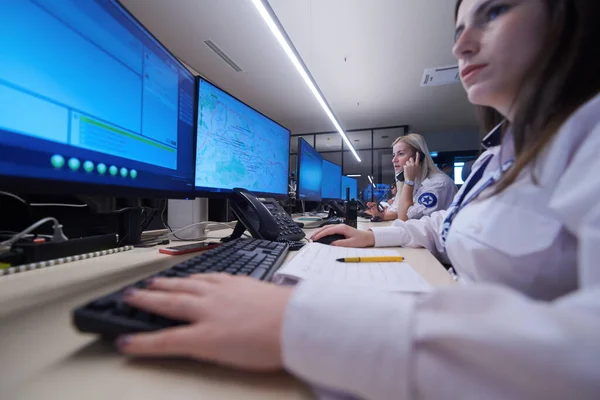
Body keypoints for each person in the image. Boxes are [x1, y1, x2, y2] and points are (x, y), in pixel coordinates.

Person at [116, 0, 600, 398]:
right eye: (458, 29)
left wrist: (305, 326)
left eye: (494, 11)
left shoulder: (589, 134)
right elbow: (449, 226)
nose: (462, 44)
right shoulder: (505, 153)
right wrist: (370, 233)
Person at [366, 134, 457, 222]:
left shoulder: (438, 184)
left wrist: (409, 182)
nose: (394, 160)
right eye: (394, 155)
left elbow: (404, 219)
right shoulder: (416, 181)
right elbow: (398, 210)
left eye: (400, 154)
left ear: (418, 157)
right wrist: (381, 214)